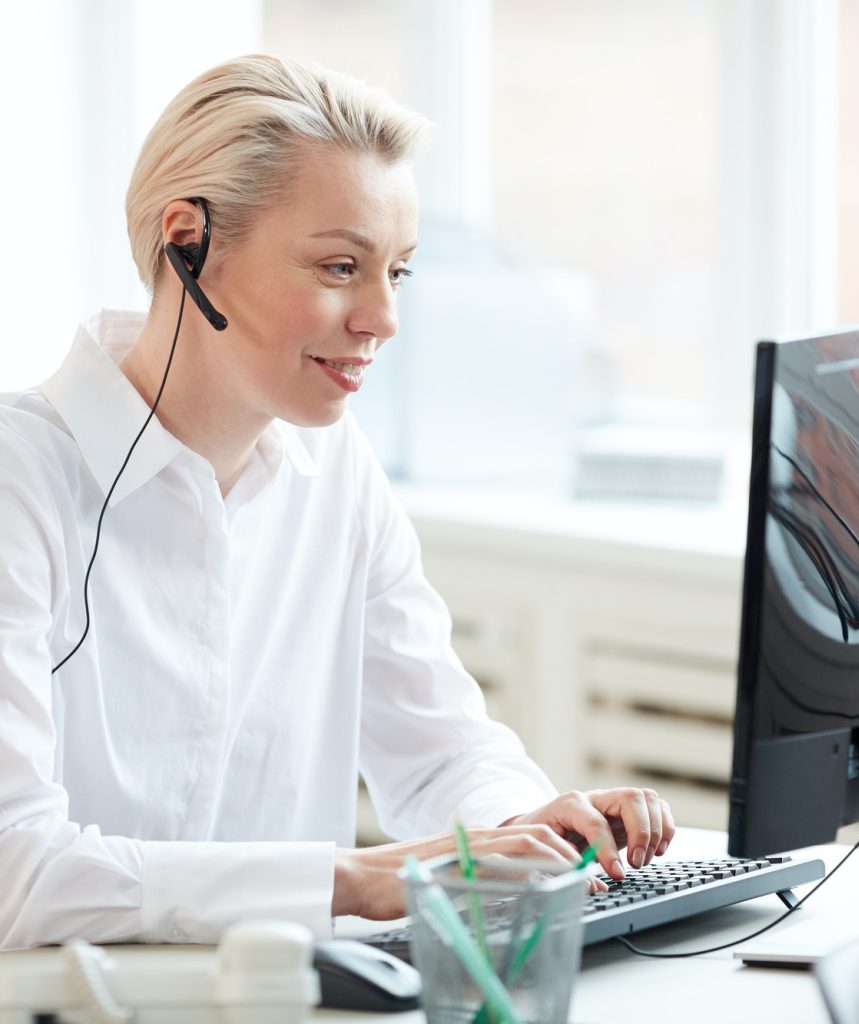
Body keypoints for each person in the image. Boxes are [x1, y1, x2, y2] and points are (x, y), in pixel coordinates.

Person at [0, 54, 675, 950]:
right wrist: (353, 880)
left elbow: (439, 748)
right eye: (339, 266)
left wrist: (537, 828)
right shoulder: (22, 479)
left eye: (397, 272)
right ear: (187, 242)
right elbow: (15, 870)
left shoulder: (335, 470)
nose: (381, 318)